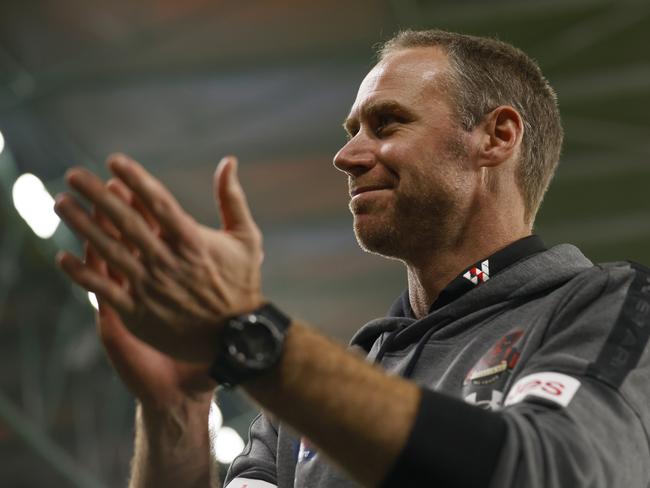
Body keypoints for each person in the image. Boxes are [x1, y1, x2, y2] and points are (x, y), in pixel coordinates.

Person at [54, 29, 650, 488]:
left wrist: (258, 339)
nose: (346, 155)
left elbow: (549, 470)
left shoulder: (604, 306)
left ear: (496, 137)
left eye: (386, 122)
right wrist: (176, 409)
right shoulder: (313, 398)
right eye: (351, 128)